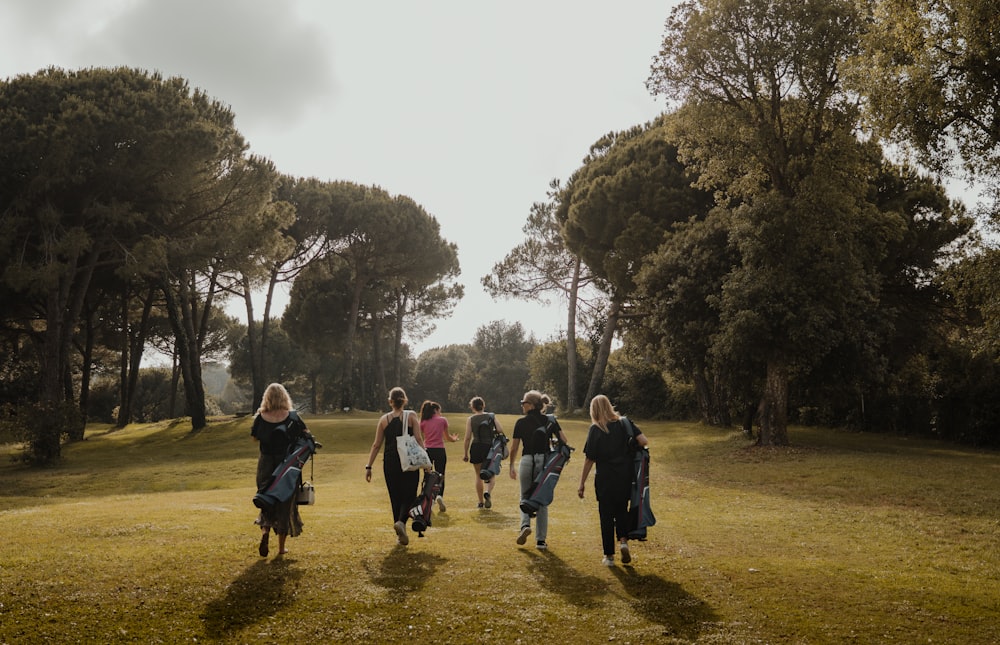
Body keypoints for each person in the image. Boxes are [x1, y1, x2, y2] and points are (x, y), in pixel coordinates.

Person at [578, 394, 649, 566]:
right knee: (621, 511)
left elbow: (590, 459)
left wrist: (582, 483)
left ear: (593, 410)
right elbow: (644, 441)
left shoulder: (596, 429)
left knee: (606, 516)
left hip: (604, 477)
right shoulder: (624, 424)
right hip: (624, 476)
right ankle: (623, 541)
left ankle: (609, 556)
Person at [251, 383, 313, 558]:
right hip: (286, 466)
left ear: (267, 398)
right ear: (285, 397)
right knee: (285, 504)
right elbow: (307, 435)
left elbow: (254, 437)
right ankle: (281, 548)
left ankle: (265, 532)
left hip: (265, 464)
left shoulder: (260, 417)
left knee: (266, 500)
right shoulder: (292, 417)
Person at [508, 390, 569, 550]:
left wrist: (511, 465)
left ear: (531, 405)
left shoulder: (520, 422)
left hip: (527, 459)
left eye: (524, 403)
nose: (522, 406)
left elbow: (514, 447)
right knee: (541, 499)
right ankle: (541, 541)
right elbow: (564, 440)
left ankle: (525, 526)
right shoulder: (550, 420)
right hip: (544, 461)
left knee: (524, 495)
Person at [364, 387, 424, 546]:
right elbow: (418, 439)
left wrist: (369, 466)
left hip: (390, 461)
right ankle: (401, 523)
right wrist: (426, 461)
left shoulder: (384, 420)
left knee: (395, 496)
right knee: (410, 494)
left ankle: (399, 532)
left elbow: (376, 445)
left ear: (390, 401)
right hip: (408, 460)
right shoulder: (411, 416)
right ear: (405, 400)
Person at [462, 396, 504, 509]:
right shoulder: (491, 416)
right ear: (483, 405)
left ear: (472, 407)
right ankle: (488, 492)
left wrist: (465, 453)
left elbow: (467, 438)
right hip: (489, 447)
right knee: (491, 473)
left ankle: (480, 502)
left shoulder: (471, 419)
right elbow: (500, 429)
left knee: (478, 475)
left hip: (476, 447)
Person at [420, 400, 458, 511]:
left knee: (428, 476)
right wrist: (454, 439)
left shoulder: (423, 421)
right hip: (440, 450)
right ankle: (439, 496)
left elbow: (419, 436)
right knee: (440, 475)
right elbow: (447, 437)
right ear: (436, 410)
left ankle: (428, 500)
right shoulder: (442, 421)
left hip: (427, 450)